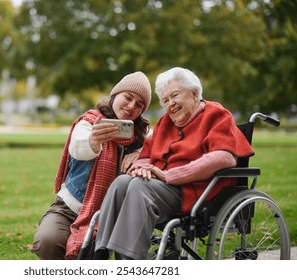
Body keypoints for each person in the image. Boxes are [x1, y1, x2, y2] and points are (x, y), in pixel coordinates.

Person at [93, 67, 254, 260]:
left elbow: (224, 157)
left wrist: (171, 175)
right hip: (163, 189)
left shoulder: (216, 115)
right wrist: (140, 168)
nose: (170, 104)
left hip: (198, 193)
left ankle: (131, 263)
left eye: (175, 95)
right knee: (122, 182)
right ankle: (101, 253)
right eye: (166, 100)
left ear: (194, 94)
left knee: (138, 187)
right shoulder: (165, 122)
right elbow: (145, 156)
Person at [31, 71, 152, 260]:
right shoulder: (89, 122)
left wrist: (141, 153)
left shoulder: (139, 137)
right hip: (70, 206)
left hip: (111, 214)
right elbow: (77, 147)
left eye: (139, 105)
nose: (131, 106)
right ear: (115, 95)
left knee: (91, 254)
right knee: (47, 242)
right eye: (128, 98)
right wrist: (93, 141)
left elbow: (159, 148)